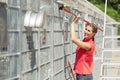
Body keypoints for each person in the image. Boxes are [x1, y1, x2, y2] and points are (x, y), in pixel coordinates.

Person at [70, 15, 97, 80]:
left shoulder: (89, 45)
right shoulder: (85, 40)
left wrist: (73, 23)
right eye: (85, 29)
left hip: (83, 75)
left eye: (88, 31)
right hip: (82, 74)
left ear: (93, 34)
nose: (85, 31)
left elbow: (73, 39)